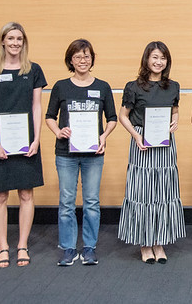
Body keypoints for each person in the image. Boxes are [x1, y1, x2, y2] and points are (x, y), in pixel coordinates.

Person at [0, 22, 47, 268]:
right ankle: (3, 247)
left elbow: (36, 107)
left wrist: (37, 139)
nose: (15, 43)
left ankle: (22, 245)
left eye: (19, 39)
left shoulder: (34, 70)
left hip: (26, 142)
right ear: (3, 42)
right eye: (11, 38)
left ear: (23, 43)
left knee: (27, 194)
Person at [46, 39, 117, 266]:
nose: (82, 60)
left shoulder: (103, 87)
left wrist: (103, 137)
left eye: (86, 56)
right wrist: (58, 131)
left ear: (92, 59)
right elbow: (49, 116)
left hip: (93, 155)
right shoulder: (60, 86)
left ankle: (89, 247)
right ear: (70, 60)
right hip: (65, 154)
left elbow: (112, 118)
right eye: (77, 56)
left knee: (91, 201)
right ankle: (68, 248)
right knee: (66, 201)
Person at [117, 41, 186, 264]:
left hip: (165, 145)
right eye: (155, 57)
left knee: (163, 192)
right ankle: (145, 244)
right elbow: (123, 116)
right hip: (141, 143)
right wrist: (136, 136)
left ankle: (160, 242)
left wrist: (175, 122)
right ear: (147, 59)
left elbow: (175, 112)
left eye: (163, 58)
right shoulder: (134, 86)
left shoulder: (173, 86)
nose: (159, 62)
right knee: (143, 192)